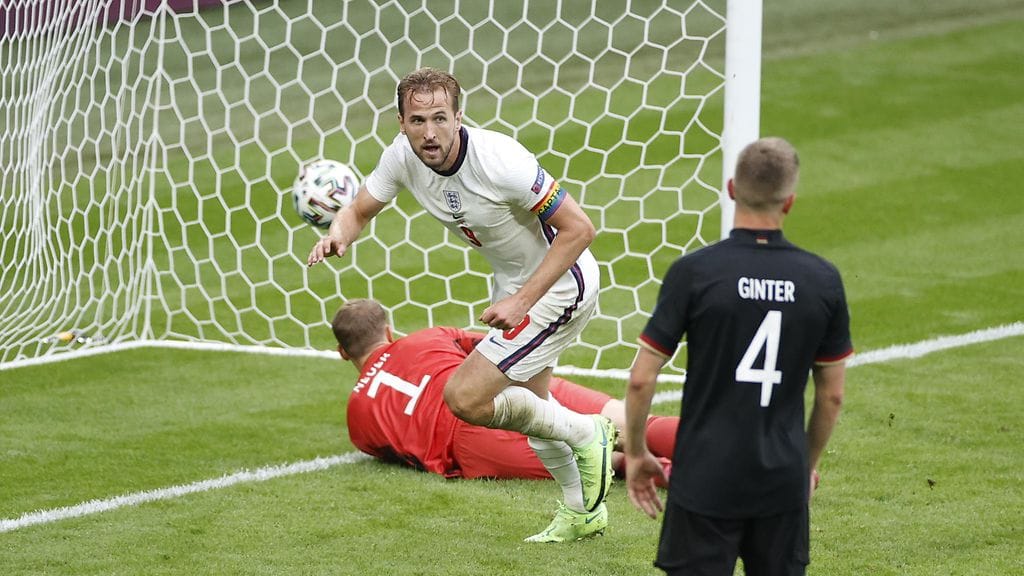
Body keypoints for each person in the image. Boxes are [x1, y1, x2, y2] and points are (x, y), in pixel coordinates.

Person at [308, 68, 613, 542]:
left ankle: (587, 433)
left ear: (458, 116)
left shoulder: (500, 160)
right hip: (513, 284)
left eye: (439, 118)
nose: (429, 133)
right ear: (400, 122)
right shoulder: (401, 158)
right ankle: (582, 512)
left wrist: (522, 300)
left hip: (560, 283)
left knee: (465, 397)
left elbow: (580, 230)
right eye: (417, 120)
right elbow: (358, 210)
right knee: (534, 408)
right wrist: (338, 235)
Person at [623, 137, 852, 575]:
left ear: (730, 189)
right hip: (781, 480)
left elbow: (640, 379)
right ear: (789, 202)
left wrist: (635, 454)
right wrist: (805, 468)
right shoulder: (822, 280)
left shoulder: (695, 273)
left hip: (704, 477)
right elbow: (831, 397)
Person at [331, 298, 678, 486]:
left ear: (343, 352)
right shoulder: (428, 336)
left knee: (612, 460)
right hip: (501, 386)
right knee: (632, 423)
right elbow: (496, 350)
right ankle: (725, 449)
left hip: (470, 444)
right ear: (389, 331)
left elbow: (400, 455)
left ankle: (720, 487)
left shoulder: (356, 415)